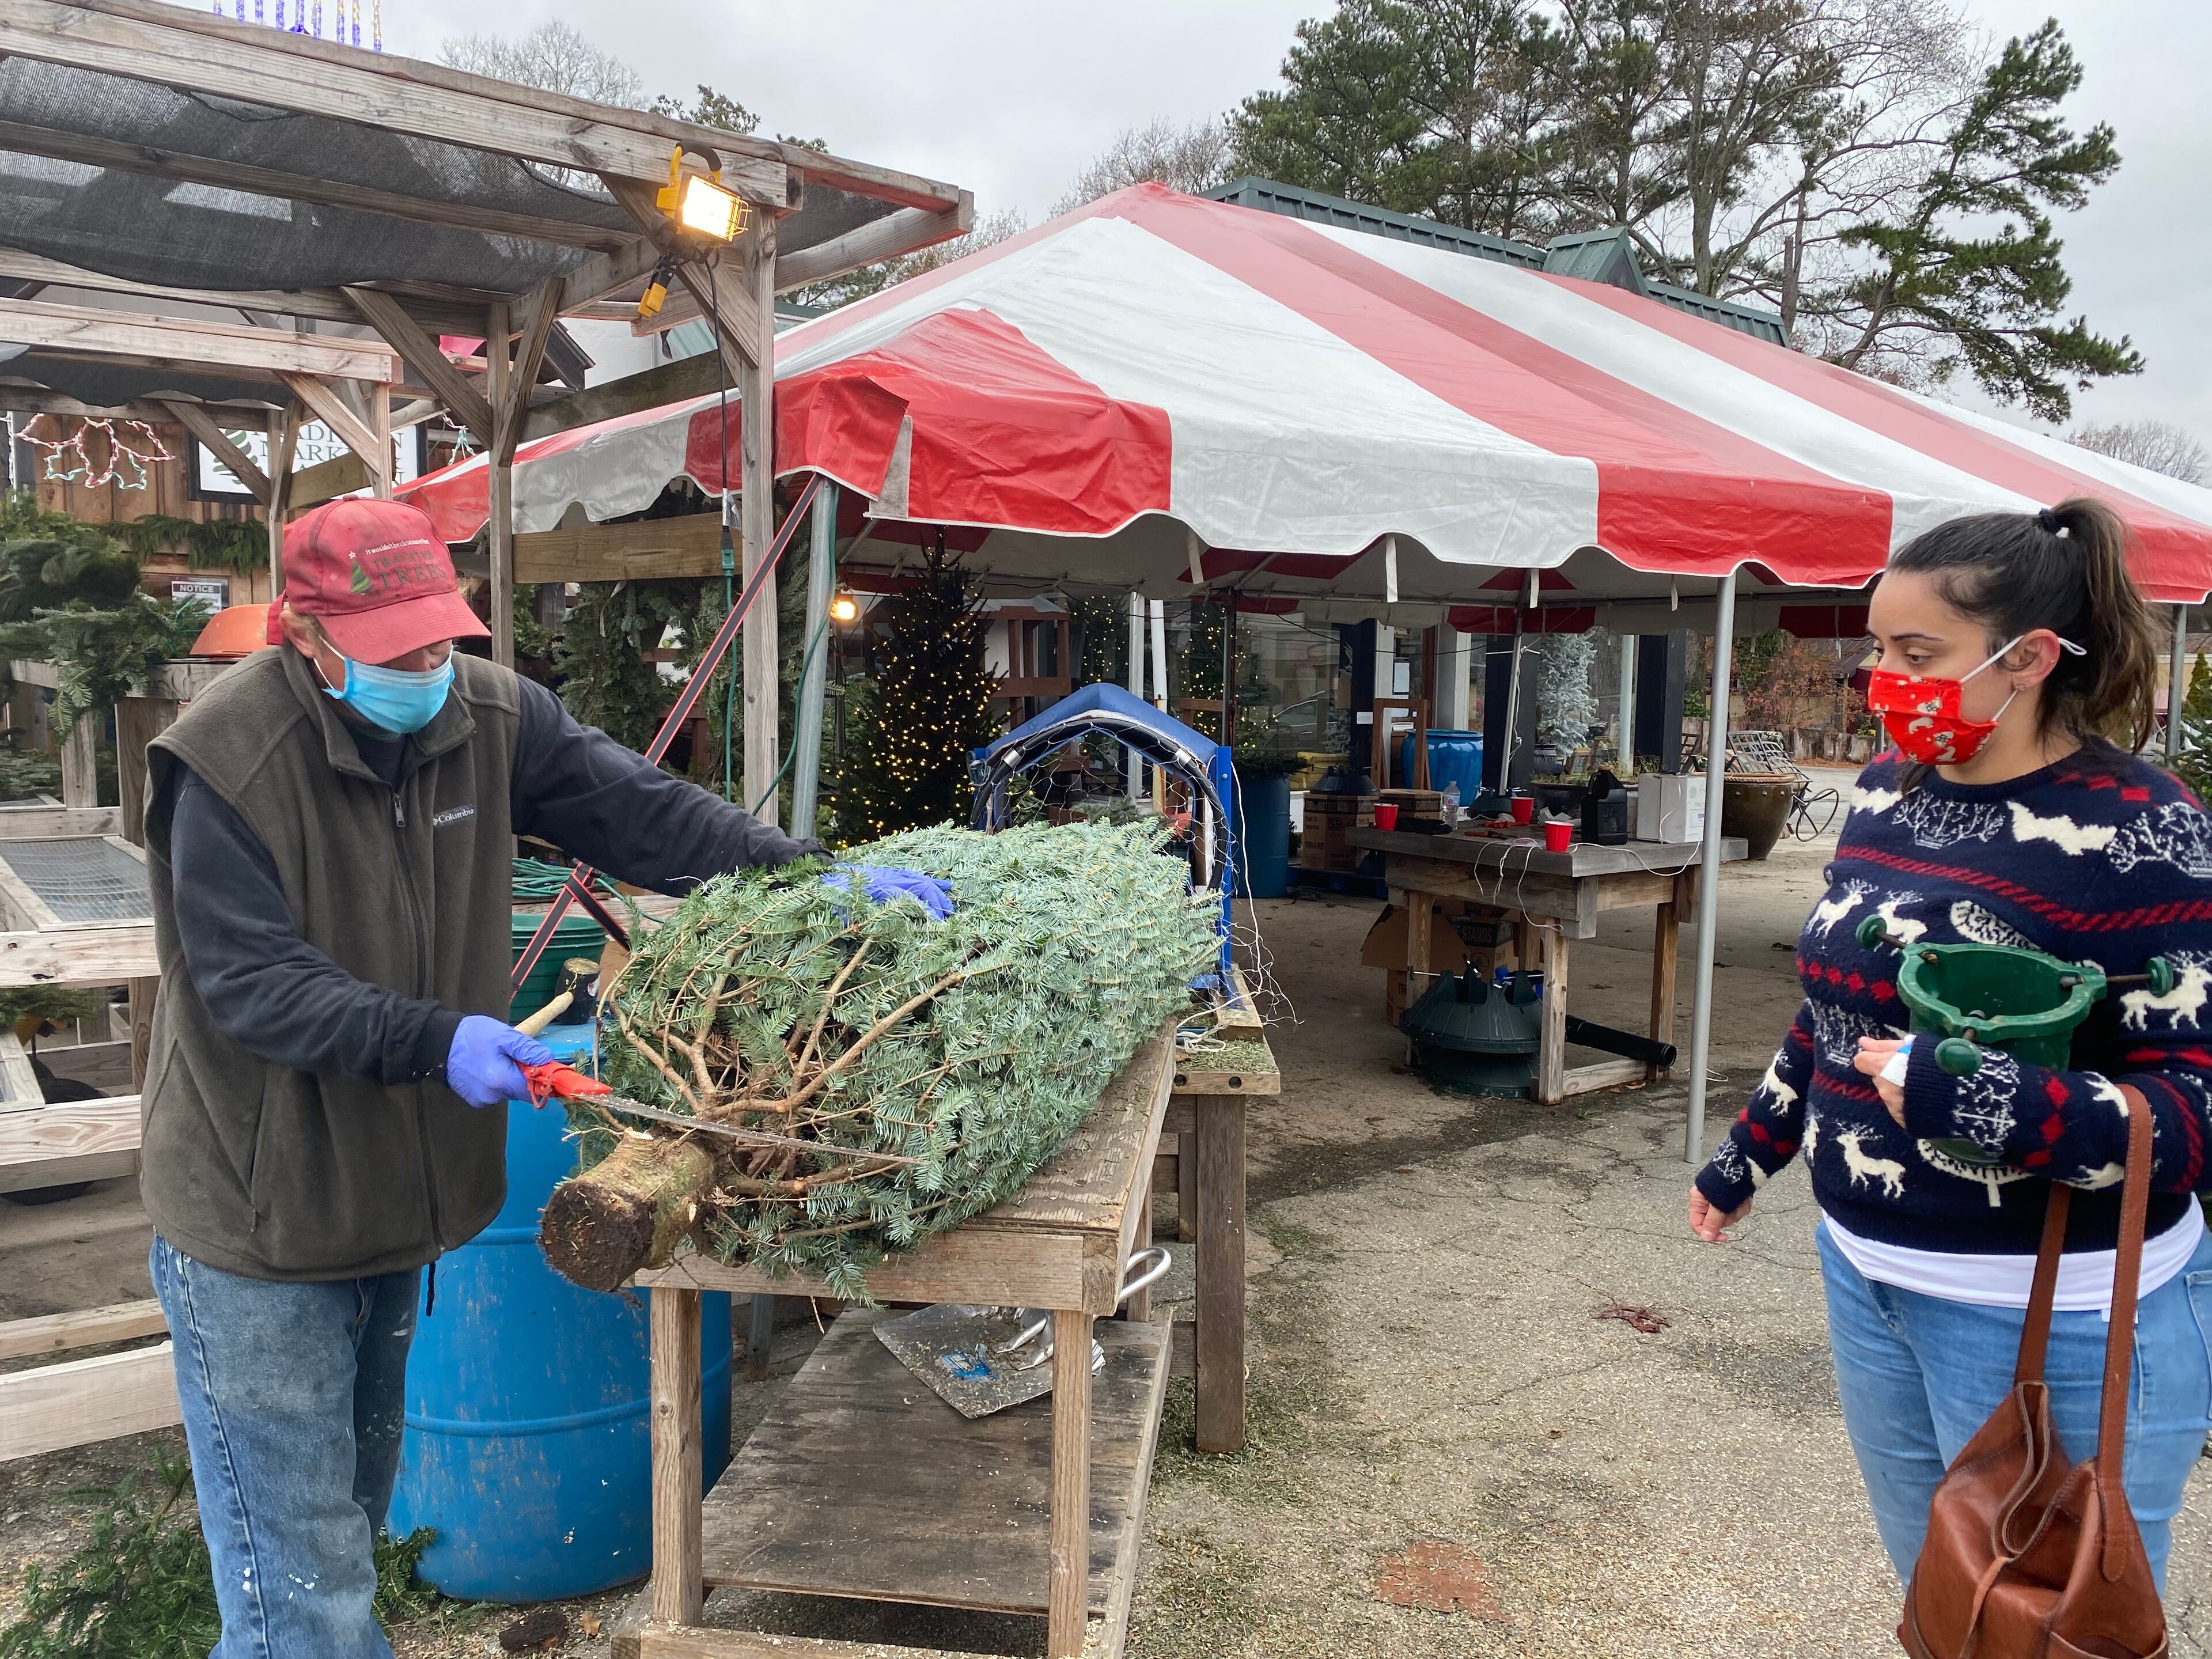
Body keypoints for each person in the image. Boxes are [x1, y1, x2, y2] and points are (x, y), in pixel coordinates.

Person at [139, 497, 948, 1657]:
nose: (426, 666)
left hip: (393, 1202)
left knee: (350, 1525)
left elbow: (642, 816)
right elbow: (252, 984)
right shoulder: (224, 763)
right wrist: (439, 1040)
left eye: (438, 637)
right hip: (256, 1212)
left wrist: (805, 875)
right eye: (392, 650)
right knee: (295, 1590)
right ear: (303, 639)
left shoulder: (489, 715)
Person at [1688, 498, 2212, 1593]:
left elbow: (2192, 1115)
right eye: (1878, 648)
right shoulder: (1887, 793)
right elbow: (1841, 1010)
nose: (1882, 678)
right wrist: (1751, 1151)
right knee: (1944, 1592)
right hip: (1866, 1271)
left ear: (2026, 658)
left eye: (1916, 653)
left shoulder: (2142, 829)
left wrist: (1973, 1100)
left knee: (2049, 1613)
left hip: (2051, 1314)